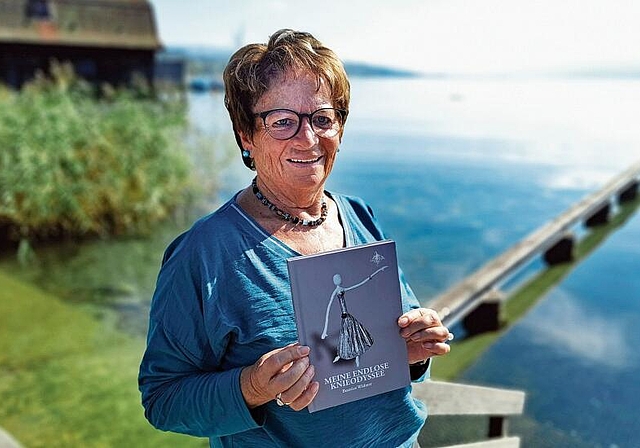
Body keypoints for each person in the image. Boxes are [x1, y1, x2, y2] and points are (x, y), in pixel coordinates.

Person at [138, 29, 452, 448]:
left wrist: (413, 351)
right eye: (282, 121)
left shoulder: (358, 215)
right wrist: (250, 387)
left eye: (322, 118)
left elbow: (395, 345)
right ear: (246, 135)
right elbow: (163, 399)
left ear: (339, 128)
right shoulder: (203, 254)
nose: (308, 139)